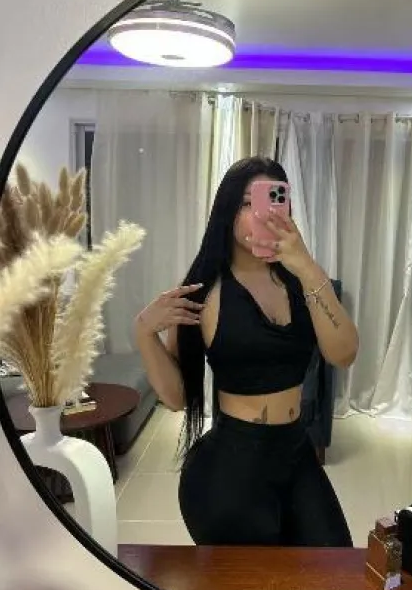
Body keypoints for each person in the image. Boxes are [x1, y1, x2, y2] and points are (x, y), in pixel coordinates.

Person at [134, 156, 358, 547]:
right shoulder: (205, 289)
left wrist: (306, 265)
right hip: (231, 464)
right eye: (245, 203)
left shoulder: (303, 282)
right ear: (227, 212)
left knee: (336, 566)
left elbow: (344, 354)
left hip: (297, 451)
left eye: (270, 202)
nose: (258, 214)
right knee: (249, 583)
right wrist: (143, 332)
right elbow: (176, 398)